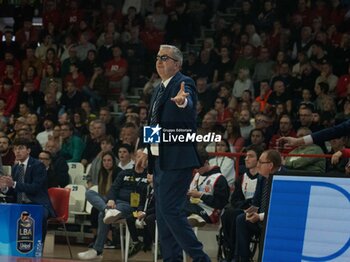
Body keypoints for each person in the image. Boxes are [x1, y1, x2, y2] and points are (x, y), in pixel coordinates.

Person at [136, 44, 210, 261]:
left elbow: (188, 105)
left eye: (165, 58)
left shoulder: (184, 82)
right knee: (162, 215)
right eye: (157, 57)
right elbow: (152, 123)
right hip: (160, 161)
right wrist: (146, 150)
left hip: (177, 161)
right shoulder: (158, 88)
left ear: (176, 64)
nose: (159, 61)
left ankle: (201, 258)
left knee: (170, 212)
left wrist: (183, 102)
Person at [0, 138, 55, 241]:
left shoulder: (38, 165)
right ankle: (10, 245)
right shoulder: (16, 167)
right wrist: (4, 188)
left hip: (37, 203)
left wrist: (14, 184)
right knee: (4, 212)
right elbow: (14, 190)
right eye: (15, 149)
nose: (17, 151)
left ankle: (38, 247)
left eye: (20, 148)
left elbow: (35, 188)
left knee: (41, 215)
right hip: (20, 203)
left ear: (28, 150)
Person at [235, 149, 283, 261]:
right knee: (240, 219)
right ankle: (244, 258)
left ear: (270, 165)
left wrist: (260, 216)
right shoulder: (262, 177)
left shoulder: (284, 178)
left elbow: (279, 210)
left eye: (261, 162)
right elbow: (256, 202)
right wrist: (251, 212)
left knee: (265, 227)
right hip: (260, 217)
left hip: (274, 220)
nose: (257, 165)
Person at [220, 145, 264, 260]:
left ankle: (238, 254)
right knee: (227, 214)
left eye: (250, 156)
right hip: (244, 208)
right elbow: (235, 199)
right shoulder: (241, 178)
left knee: (237, 216)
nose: (246, 159)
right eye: (245, 156)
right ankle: (231, 249)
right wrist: (244, 206)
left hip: (257, 211)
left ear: (258, 160)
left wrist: (249, 206)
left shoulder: (263, 178)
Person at [186, 149, 230, 226]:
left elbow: (220, 203)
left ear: (206, 163)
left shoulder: (219, 178)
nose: (196, 170)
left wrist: (201, 195)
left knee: (179, 210)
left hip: (209, 212)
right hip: (193, 206)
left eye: (198, 167)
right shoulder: (197, 175)